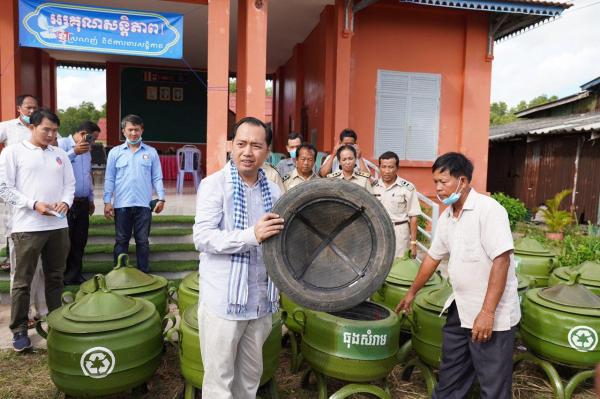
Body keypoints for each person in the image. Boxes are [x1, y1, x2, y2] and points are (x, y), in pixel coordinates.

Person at [396, 152, 520, 398]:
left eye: (443, 182)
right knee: (450, 379)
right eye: (435, 183)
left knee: (493, 386)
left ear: (462, 182)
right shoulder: (447, 217)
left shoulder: (489, 210)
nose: (438, 189)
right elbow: (433, 257)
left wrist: (487, 313)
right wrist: (412, 292)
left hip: (491, 315)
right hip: (461, 310)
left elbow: (502, 260)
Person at [193, 116, 284, 398]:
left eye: (256, 145)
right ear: (231, 146)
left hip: (259, 302)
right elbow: (203, 237)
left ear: (267, 151)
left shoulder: (275, 190)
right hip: (224, 303)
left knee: (249, 378)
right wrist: (251, 235)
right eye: (241, 143)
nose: (248, 152)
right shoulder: (214, 185)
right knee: (219, 381)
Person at [0, 109, 75, 352]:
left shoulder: (60, 154)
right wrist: (33, 204)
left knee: (55, 277)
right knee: (23, 281)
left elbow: (69, 185)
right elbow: (4, 188)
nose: (52, 135)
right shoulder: (13, 152)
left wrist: (66, 202)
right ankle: (20, 329)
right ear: (32, 127)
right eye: (46, 130)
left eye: (54, 131)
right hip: (28, 227)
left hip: (58, 225)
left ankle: (56, 322)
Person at [0, 94, 48, 324]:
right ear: (18, 108)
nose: (32, 110)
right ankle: (23, 313)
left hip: (40, 209)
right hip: (18, 210)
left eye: (35, 107)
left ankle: (42, 309)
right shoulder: (7, 129)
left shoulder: (42, 131)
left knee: (39, 266)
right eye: (28, 107)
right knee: (19, 268)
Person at [103, 115, 165, 273]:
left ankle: (143, 273)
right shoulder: (115, 153)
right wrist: (107, 201)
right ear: (123, 131)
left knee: (142, 241)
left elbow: (157, 177)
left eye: (136, 130)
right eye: (130, 129)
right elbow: (109, 178)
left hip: (144, 205)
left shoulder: (151, 152)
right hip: (122, 205)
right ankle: (119, 274)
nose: (133, 133)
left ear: (141, 130)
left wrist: (161, 198)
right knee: (121, 240)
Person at [58, 121, 100, 284]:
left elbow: (87, 176)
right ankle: (61, 276)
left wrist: (90, 199)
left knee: (79, 241)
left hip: (83, 203)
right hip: (66, 203)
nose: (93, 142)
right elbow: (56, 164)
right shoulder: (61, 145)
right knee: (64, 242)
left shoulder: (87, 151)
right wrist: (74, 152)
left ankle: (75, 275)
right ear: (83, 134)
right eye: (92, 138)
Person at [373, 151, 421, 258]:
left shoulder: (407, 188)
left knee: (399, 264)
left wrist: (413, 243)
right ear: (379, 167)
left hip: (399, 232)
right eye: (384, 167)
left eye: (391, 167)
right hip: (378, 231)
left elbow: (413, 217)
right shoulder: (373, 187)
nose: (387, 171)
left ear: (397, 168)